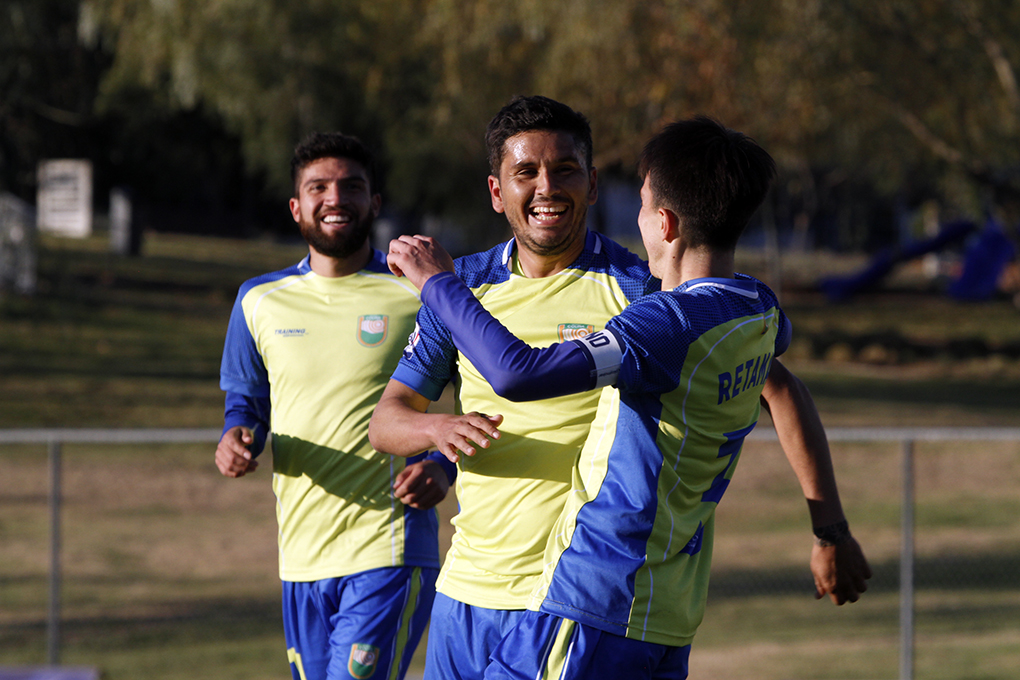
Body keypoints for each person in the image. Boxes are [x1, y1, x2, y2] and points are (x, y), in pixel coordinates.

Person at [386, 116, 872, 679]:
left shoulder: (657, 320)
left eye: (640, 206)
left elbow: (518, 373)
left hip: (593, 599)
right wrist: (830, 530)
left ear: (663, 223)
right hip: (656, 611)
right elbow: (781, 383)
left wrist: (438, 286)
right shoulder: (758, 309)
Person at [368, 96, 658, 679]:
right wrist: (439, 428)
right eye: (526, 172)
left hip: (569, 600)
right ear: (498, 192)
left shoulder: (637, 290)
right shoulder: (461, 286)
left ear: (593, 184)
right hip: (465, 591)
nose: (547, 188)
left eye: (565, 170)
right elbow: (387, 420)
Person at [215, 132, 452, 680]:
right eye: (318, 187)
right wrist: (237, 438)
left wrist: (442, 467)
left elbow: (478, 397)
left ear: (375, 203)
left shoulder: (417, 293)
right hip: (300, 555)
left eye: (352, 186)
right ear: (296, 207)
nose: (335, 198)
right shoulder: (259, 300)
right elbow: (247, 402)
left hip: (388, 545)